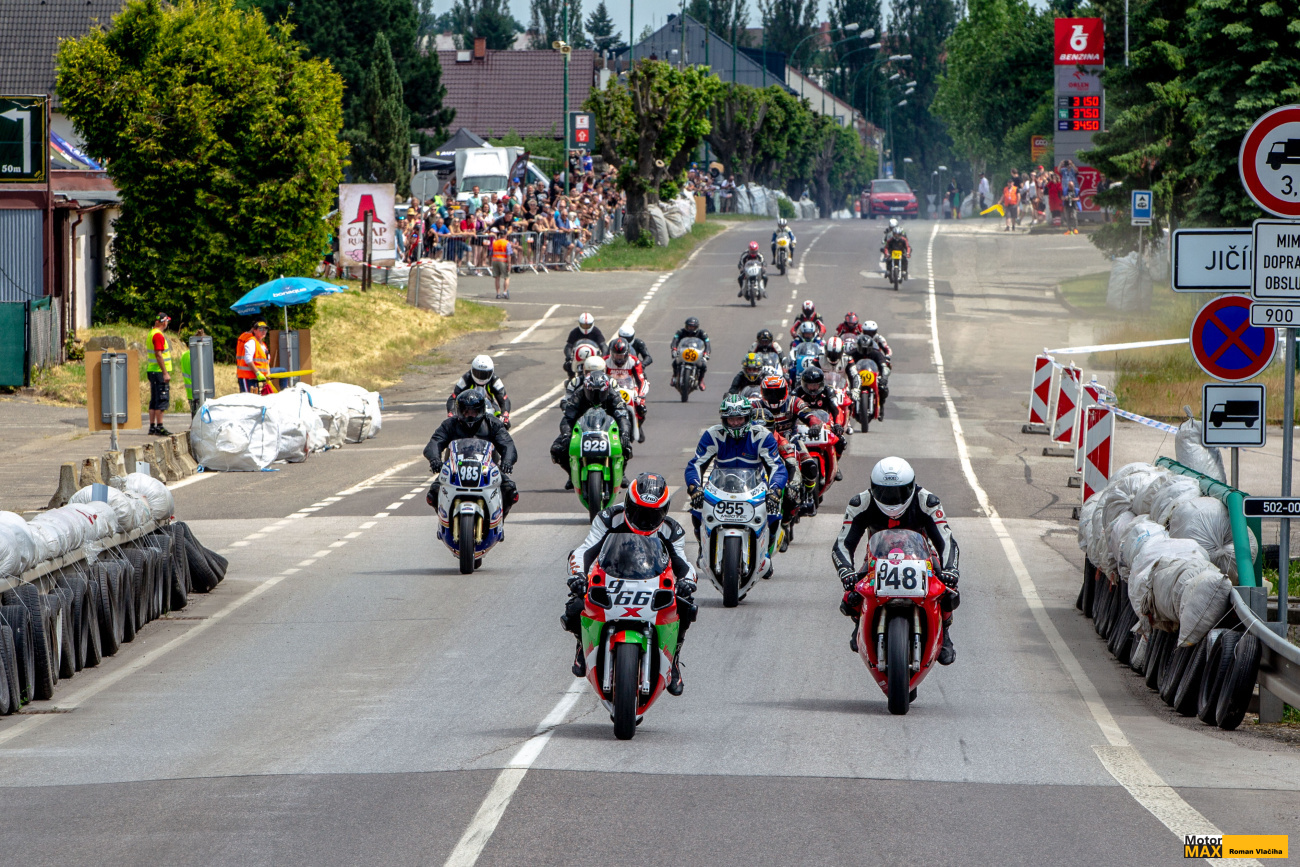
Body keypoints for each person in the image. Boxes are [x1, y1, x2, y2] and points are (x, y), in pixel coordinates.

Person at [561, 472, 697, 694]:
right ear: (627, 504)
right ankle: (581, 643)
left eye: (651, 515)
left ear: (663, 512)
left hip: (652, 580)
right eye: (638, 512)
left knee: (686, 605)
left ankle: (673, 658)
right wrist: (578, 575)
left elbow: (683, 563)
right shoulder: (608, 518)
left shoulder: (672, 530)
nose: (644, 520)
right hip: (610, 575)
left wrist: (687, 582)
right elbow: (585, 549)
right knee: (576, 603)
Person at [832, 456, 960, 665]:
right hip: (877, 556)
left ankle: (945, 633)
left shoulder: (927, 501)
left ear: (911, 486)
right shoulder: (860, 503)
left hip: (922, 555)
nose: (892, 499)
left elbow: (947, 541)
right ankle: (859, 621)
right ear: (873, 488)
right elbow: (842, 544)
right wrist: (846, 572)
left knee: (948, 588)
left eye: (899, 492)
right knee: (850, 597)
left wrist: (950, 570)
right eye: (884, 492)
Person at [684, 395, 787, 578]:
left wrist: (775, 490)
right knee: (697, 508)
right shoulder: (713, 435)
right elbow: (695, 465)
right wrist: (694, 488)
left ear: (748, 417)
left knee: (773, 512)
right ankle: (703, 546)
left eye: (739, 418)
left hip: (754, 486)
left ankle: (765, 555)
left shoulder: (762, 435)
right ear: (724, 419)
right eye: (731, 419)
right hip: (720, 486)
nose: (735, 423)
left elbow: (777, 467)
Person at [424, 390, 519, 520]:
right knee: (432, 494)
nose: (470, 415)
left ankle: (500, 519)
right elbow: (434, 442)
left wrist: (507, 461)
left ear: (481, 410)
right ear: (459, 411)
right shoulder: (449, 425)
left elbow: (508, 445)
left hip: (487, 469)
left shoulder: (493, 424)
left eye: (474, 411)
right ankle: (445, 518)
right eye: (466, 411)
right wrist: (435, 459)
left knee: (510, 491)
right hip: (454, 469)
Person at [550, 372, 633, 489]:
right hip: (582, 428)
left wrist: (624, 433)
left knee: (626, 446)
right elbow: (567, 418)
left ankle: (622, 473)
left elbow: (622, 416)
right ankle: (572, 474)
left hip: (607, 428)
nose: (596, 396)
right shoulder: (578, 395)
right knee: (557, 450)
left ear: (606, 389)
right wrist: (566, 435)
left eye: (600, 392)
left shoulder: (613, 395)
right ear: (586, 389)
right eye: (592, 392)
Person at [758, 374, 818, 517]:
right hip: (764, 443)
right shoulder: (755, 405)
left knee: (810, 467)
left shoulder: (794, 402)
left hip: (792, 440)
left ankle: (808, 493)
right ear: (762, 392)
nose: (773, 397)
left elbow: (809, 415)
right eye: (769, 393)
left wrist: (815, 424)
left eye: (777, 393)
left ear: (785, 391)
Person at [793, 366, 847, 470]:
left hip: (824, 424)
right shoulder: (796, 393)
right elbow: (790, 410)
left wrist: (838, 425)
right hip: (801, 424)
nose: (813, 388)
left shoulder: (829, 392)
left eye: (815, 385)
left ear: (821, 384)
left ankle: (836, 464)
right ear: (805, 384)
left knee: (841, 441)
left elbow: (836, 410)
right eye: (810, 385)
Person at [446, 354, 512, 426]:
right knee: (451, 426)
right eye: (478, 373)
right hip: (468, 409)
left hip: (490, 408)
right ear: (472, 370)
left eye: (485, 374)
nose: (481, 376)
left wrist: (504, 414)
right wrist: (451, 412)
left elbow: (504, 399)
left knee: (505, 425)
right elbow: (453, 397)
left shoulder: (495, 380)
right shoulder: (466, 378)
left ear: (491, 372)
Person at [146, 313, 173, 435]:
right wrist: (165, 373)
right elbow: (158, 354)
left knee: (154, 399)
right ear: (164, 322)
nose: (167, 323)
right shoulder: (158, 335)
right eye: (167, 321)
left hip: (152, 370)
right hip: (158, 371)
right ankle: (160, 426)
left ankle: (152, 426)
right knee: (161, 398)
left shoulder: (152, 333)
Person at [671, 317, 711, 391]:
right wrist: (674, 349)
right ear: (686, 326)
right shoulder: (680, 332)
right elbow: (675, 341)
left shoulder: (702, 333)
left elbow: (707, 344)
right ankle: (674, 376)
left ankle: (700, 380)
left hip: (696, 353)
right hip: (684, 352)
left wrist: (706, 353)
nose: (691, 328)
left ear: (696, 327)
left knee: (703, 366)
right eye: (689, 326)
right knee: (675, 363)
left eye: (693, 327)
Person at [563, 312, 606, 377]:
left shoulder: (596, 332)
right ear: (579, 324)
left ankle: (599, 377)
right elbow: (568, 346)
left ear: (592, 324)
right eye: (584, 325)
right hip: (578, 358)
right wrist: (569, 357)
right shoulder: (575, 332)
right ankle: (571, 379)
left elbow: (603, 345)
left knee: (603, 365)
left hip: (593, 357)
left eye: (588, 325)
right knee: (568, 365)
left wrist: (603, 356)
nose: (586, 328)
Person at [236, 320, 271, 397]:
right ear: (254, 330)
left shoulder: (263, 345)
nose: (263, 331)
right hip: (247, 377)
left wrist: (267, 375)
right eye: (261, 329)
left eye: (265, 329)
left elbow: (266, 362)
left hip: (257, 378)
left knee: (255, 400)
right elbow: (248, 359)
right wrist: (257, 372)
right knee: (248, 400)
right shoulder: (251, 342)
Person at [178, 328, 205, 416]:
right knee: (199, 418)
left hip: (190, 391)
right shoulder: (197, 357)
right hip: (198, 391)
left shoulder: (184, 355)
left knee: (194, 415)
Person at [490, 228, 513, 298]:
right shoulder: (507, 243)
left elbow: (491, 253)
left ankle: (498, 293)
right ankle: (505, 292)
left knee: (497, 278)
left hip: (495, 261)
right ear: (505, 235)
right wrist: (509, 264)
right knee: (506, 277)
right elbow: (509, 254)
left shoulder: (495, 242)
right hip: (503, 261)